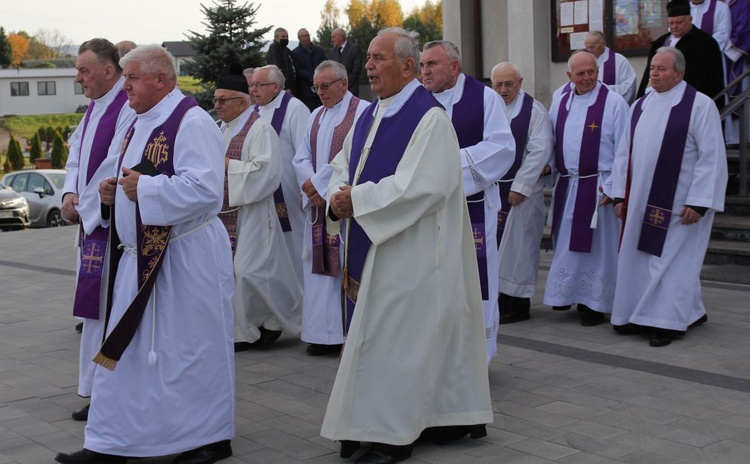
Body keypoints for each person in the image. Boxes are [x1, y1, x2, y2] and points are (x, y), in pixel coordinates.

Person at [55, 45, 235, 464]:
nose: (126, 85)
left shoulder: (191, 121)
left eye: (132, 77)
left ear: (161, 79)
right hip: (139, 257)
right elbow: (116, 176)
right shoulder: (134, 123)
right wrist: (107, 196)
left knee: (190, 352)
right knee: (133, 354)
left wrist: (147, 189)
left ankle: (209, 438)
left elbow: (207, 190)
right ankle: (113, 441)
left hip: (186, 259)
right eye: (125, 77)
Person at [320, 27, 493, 464]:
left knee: (395, 340)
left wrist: (355, 200)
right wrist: (337, 195)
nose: (370, 67)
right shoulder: (371, 113)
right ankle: (366, 422)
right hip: (377, 240)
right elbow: (344, 165)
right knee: (373, 337)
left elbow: (423, 186)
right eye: (370, 59)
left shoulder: (429, 117)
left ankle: (390, 433)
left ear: (408, 66)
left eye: (379, 58)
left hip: (413, 249)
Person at [610, 47, 727, 347]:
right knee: (640, 259)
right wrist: (618, 194)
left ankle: (665, 321)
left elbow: (711, 156)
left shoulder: (699, 106)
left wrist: (700, 201)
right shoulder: (640, 105)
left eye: (661, 69)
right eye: (653, 68)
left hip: (680, 203)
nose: (654, 73)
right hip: (638, 201)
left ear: (679, 73)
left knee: (672, 262)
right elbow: (625, 152)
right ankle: (646, 312)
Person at [419, 40, 515, 362]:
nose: (424, 71)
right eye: (422, 65)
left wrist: (446, 168)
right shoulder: (416, 102)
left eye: (431, 64)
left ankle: (476, 358)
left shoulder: (485, 98)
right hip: (427, 211)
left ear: (454, 67)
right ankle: (439, 356)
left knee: (474, 282)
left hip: (471, 207)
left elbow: (502, 148)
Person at [62, 38, 136, 423]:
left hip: (111, 228)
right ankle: (94, 389)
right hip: (92, 223)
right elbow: (76, 154)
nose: (79, 79)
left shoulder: (126, 106)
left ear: (109, 71)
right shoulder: (93, 108)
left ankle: (107, 393)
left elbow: (114, 162)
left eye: (83, 70)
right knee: (94, 311)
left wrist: (86, 208)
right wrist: (70, 192)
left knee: (107, 309)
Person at [214, 65, 302, 352]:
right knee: (231, 273)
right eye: (216, 100)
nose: (217, 105)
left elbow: (266, 172)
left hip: (252, 213)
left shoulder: (260, 129)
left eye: (223, 100)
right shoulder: (220, 129)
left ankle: (274, 321)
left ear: (242, 102)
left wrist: (227, 165)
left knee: (249, 271)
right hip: (225, 214)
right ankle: (244, 329)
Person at [545, 51, 628, 327]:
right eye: (580, 73)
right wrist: (547, 165)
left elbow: (624, 151)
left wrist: (615, 190)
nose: (587, 77)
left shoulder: (614, 103)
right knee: (569, 245)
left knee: (598, 251)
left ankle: (597, 303)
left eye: (591, 71)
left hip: (598, 187)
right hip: (569, 185)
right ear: (569, 76)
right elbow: (552, 141)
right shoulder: (560, 102)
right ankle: (573, 295)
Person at [292, 60, 369, 356]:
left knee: (344, 266)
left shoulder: (362, 112)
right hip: (316, 208)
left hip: (342, 205)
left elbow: (353, 157)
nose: (320, 92)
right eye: (317, 86)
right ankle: (322, 334)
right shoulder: (316, 115)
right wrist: (310, 186)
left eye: (325, 86)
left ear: (343, 84)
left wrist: (321, 187)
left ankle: (346, 333)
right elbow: (300, 157)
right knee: (317, 266)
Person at [491, 62, 554, 324]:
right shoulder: (490, 107)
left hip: (521, 195)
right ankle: (500, 300)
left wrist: (520, 187)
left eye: (509, 84)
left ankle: (518, 305)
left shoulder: (534, 112)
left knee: (519, 251)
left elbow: (539, 152)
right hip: (494, 191)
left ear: (520, 82)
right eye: (498, 85)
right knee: (497, 250)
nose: (504, 90)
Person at [251, 65, 311, 289]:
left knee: (294, 247)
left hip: (290, 194)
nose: (254, 89)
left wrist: (304, 191)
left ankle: (301, 298)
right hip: (264, 194)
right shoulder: (256, 110)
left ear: (276, 87)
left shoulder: (295, 109)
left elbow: (304, 153)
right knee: (272, 251)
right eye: (253, 85)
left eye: (260, 85)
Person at [636, 0, 724, 109]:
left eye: (679, 22)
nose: (674, 26)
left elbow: (710, 81)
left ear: (690, 20)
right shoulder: (661, 42)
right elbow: (648, 75)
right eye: (671, 23)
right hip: (658, 101)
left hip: (690, 104)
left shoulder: (706, 44)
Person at [583, 31, 638, 103]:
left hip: (612, 105)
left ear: (603, 44)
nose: (589, 51)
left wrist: (603, 90)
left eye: (592, 47)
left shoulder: (619, 60)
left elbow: (629, 86)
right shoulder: (585, 61)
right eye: (587, 48)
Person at [724, 0, 750, 144]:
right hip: (723, 56)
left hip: (736, 58)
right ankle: (731, 138)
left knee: (741, 94)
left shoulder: (743, 3)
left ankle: (742, 138)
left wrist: (726, 49)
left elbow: (744, 28)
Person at [292, 28, 327, 110]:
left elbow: (325, 64)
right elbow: (298, 70)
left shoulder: (319, 50)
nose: (307, 38)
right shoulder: (295, 53)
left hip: (322, 88)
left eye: (307, 35)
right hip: (305, 91)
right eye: (304, 36)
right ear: (299, 38)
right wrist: (313, 77)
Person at [327, 28, 362, 96]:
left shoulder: (354, 49)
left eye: (333, 37)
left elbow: (356, 70)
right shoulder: (332, 52)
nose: (332, 40)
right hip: (336, 91)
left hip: (351, 89)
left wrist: (344, 83)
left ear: (341, 37)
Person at [265, 27, 297, 93]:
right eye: (283, 36)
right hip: (284, 88)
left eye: (286, 36)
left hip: (292, 87)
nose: (285, 38)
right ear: (276, 38)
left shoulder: (287, 50)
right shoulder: (274, 48)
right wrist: (285, 87)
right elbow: (276, 70)